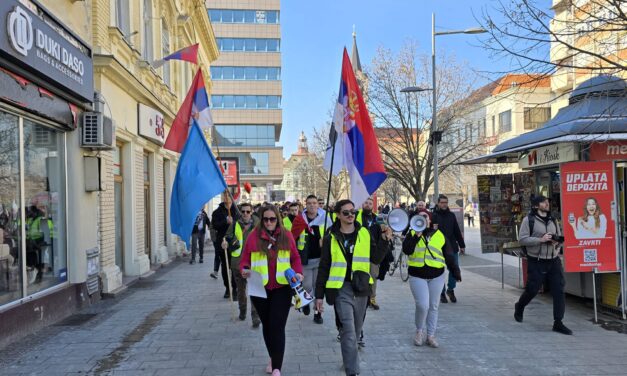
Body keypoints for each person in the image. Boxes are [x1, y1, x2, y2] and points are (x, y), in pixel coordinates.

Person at [315, 199, 392, 376]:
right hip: (340, 288)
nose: (351, 215)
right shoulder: (330, 237)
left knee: (355, 333)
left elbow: (375, 258)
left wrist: (385, 241)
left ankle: (348, 359)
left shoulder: (364, 233)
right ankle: (352, 371)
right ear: (338, 215)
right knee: (348, 331)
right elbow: (324, 267)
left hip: (361, 288)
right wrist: (319, 296)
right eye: (346, 212)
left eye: (353, 212)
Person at [240, 205, 303, 376]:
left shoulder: (286, 235)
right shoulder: (253, 236)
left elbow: (295, 257)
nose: (269, 222)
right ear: (262, 220)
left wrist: (298, 272)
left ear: (278, 219)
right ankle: (273, 357)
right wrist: (244, 269)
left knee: (277, 326)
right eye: (266, 219)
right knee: (267, 326)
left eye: (272, 219)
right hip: (259, 288)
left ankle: (277, 368)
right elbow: (244, 259)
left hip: (282, 288)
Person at [403, 209, 461, 348]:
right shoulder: (411, 234)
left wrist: (455, 271)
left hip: (437, 275)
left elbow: (449, 255)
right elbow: (407, 250)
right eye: (420, 217)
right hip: (417, 275)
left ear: (429, 220)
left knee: (433, 306)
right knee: (423, 305)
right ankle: (419, 331)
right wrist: (416, 235)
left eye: (425, 217)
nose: (423, 219)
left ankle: (430, 335)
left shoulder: (439, 235)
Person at [515, 195, 572, 335]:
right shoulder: (529, 220)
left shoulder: (553, 219)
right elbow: (522, 239)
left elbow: (558, 237)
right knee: (532, 290)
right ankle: (520, 306)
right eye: (543, 202)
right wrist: (541, 240)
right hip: (536, 260)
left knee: (559, 290)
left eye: (548, 201)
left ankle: (558, 322)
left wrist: (557, 243)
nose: (547, 204)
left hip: (553, 260)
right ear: (536, 205)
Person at [290, 195, 333, 324]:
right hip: (305, 260)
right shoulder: (299, 219)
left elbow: (332, 235)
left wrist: (325, 241)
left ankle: (318, 313)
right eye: (309, 203)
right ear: (305, 205)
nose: (312, 205)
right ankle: (306, 301)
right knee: (307, 285)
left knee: (318, 287)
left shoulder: (325, 217)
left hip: (321, 259)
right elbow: (293, 238)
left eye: (314, 203)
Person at [223, 202, 261, 327]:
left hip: (254, 262)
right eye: (243, 211)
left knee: (255, 290)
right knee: (241, 290)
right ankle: (242, 310)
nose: (245, 214)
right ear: (240, 212)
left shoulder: (259, 224)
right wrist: (226, 243)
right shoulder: (234, 224)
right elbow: (227, 237)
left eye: (248, 211)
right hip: (238, 262)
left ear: (252, 212)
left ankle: (255, 316)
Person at [432, 195, 465, 304]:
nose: (444, 204)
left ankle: (451, 289)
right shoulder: (434, 216)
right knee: (440, 271)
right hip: (438, 248)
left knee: (454, 269)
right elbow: (430, 232)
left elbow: (456, 230)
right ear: (438, 203)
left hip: (452, 247)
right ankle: (442, 292)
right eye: (442, 202)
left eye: (445, 202)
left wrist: (462, 245)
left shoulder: (451, 216)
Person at [355, 197, 382, 310]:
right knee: (359, 275)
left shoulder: (377, 218)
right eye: (366, 203)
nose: (368, 205)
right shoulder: (356, 216)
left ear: (373, 205)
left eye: (370, 203)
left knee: (373, 276)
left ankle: (372, 298)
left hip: (373, 252)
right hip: (359, 252)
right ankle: (359, 297)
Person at [211, 192, 238, 299]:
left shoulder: (237, 210)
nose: (227, 197)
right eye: (225, 195)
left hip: (235, 243)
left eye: (229, 195)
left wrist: (233, 221)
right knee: (225, 266)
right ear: (223, 198)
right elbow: (215, 225)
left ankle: (235, 288)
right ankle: (228, 287)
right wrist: (225, 221)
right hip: (222, 243)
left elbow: (242, 222)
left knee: (235, 267)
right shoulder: (217, 212)